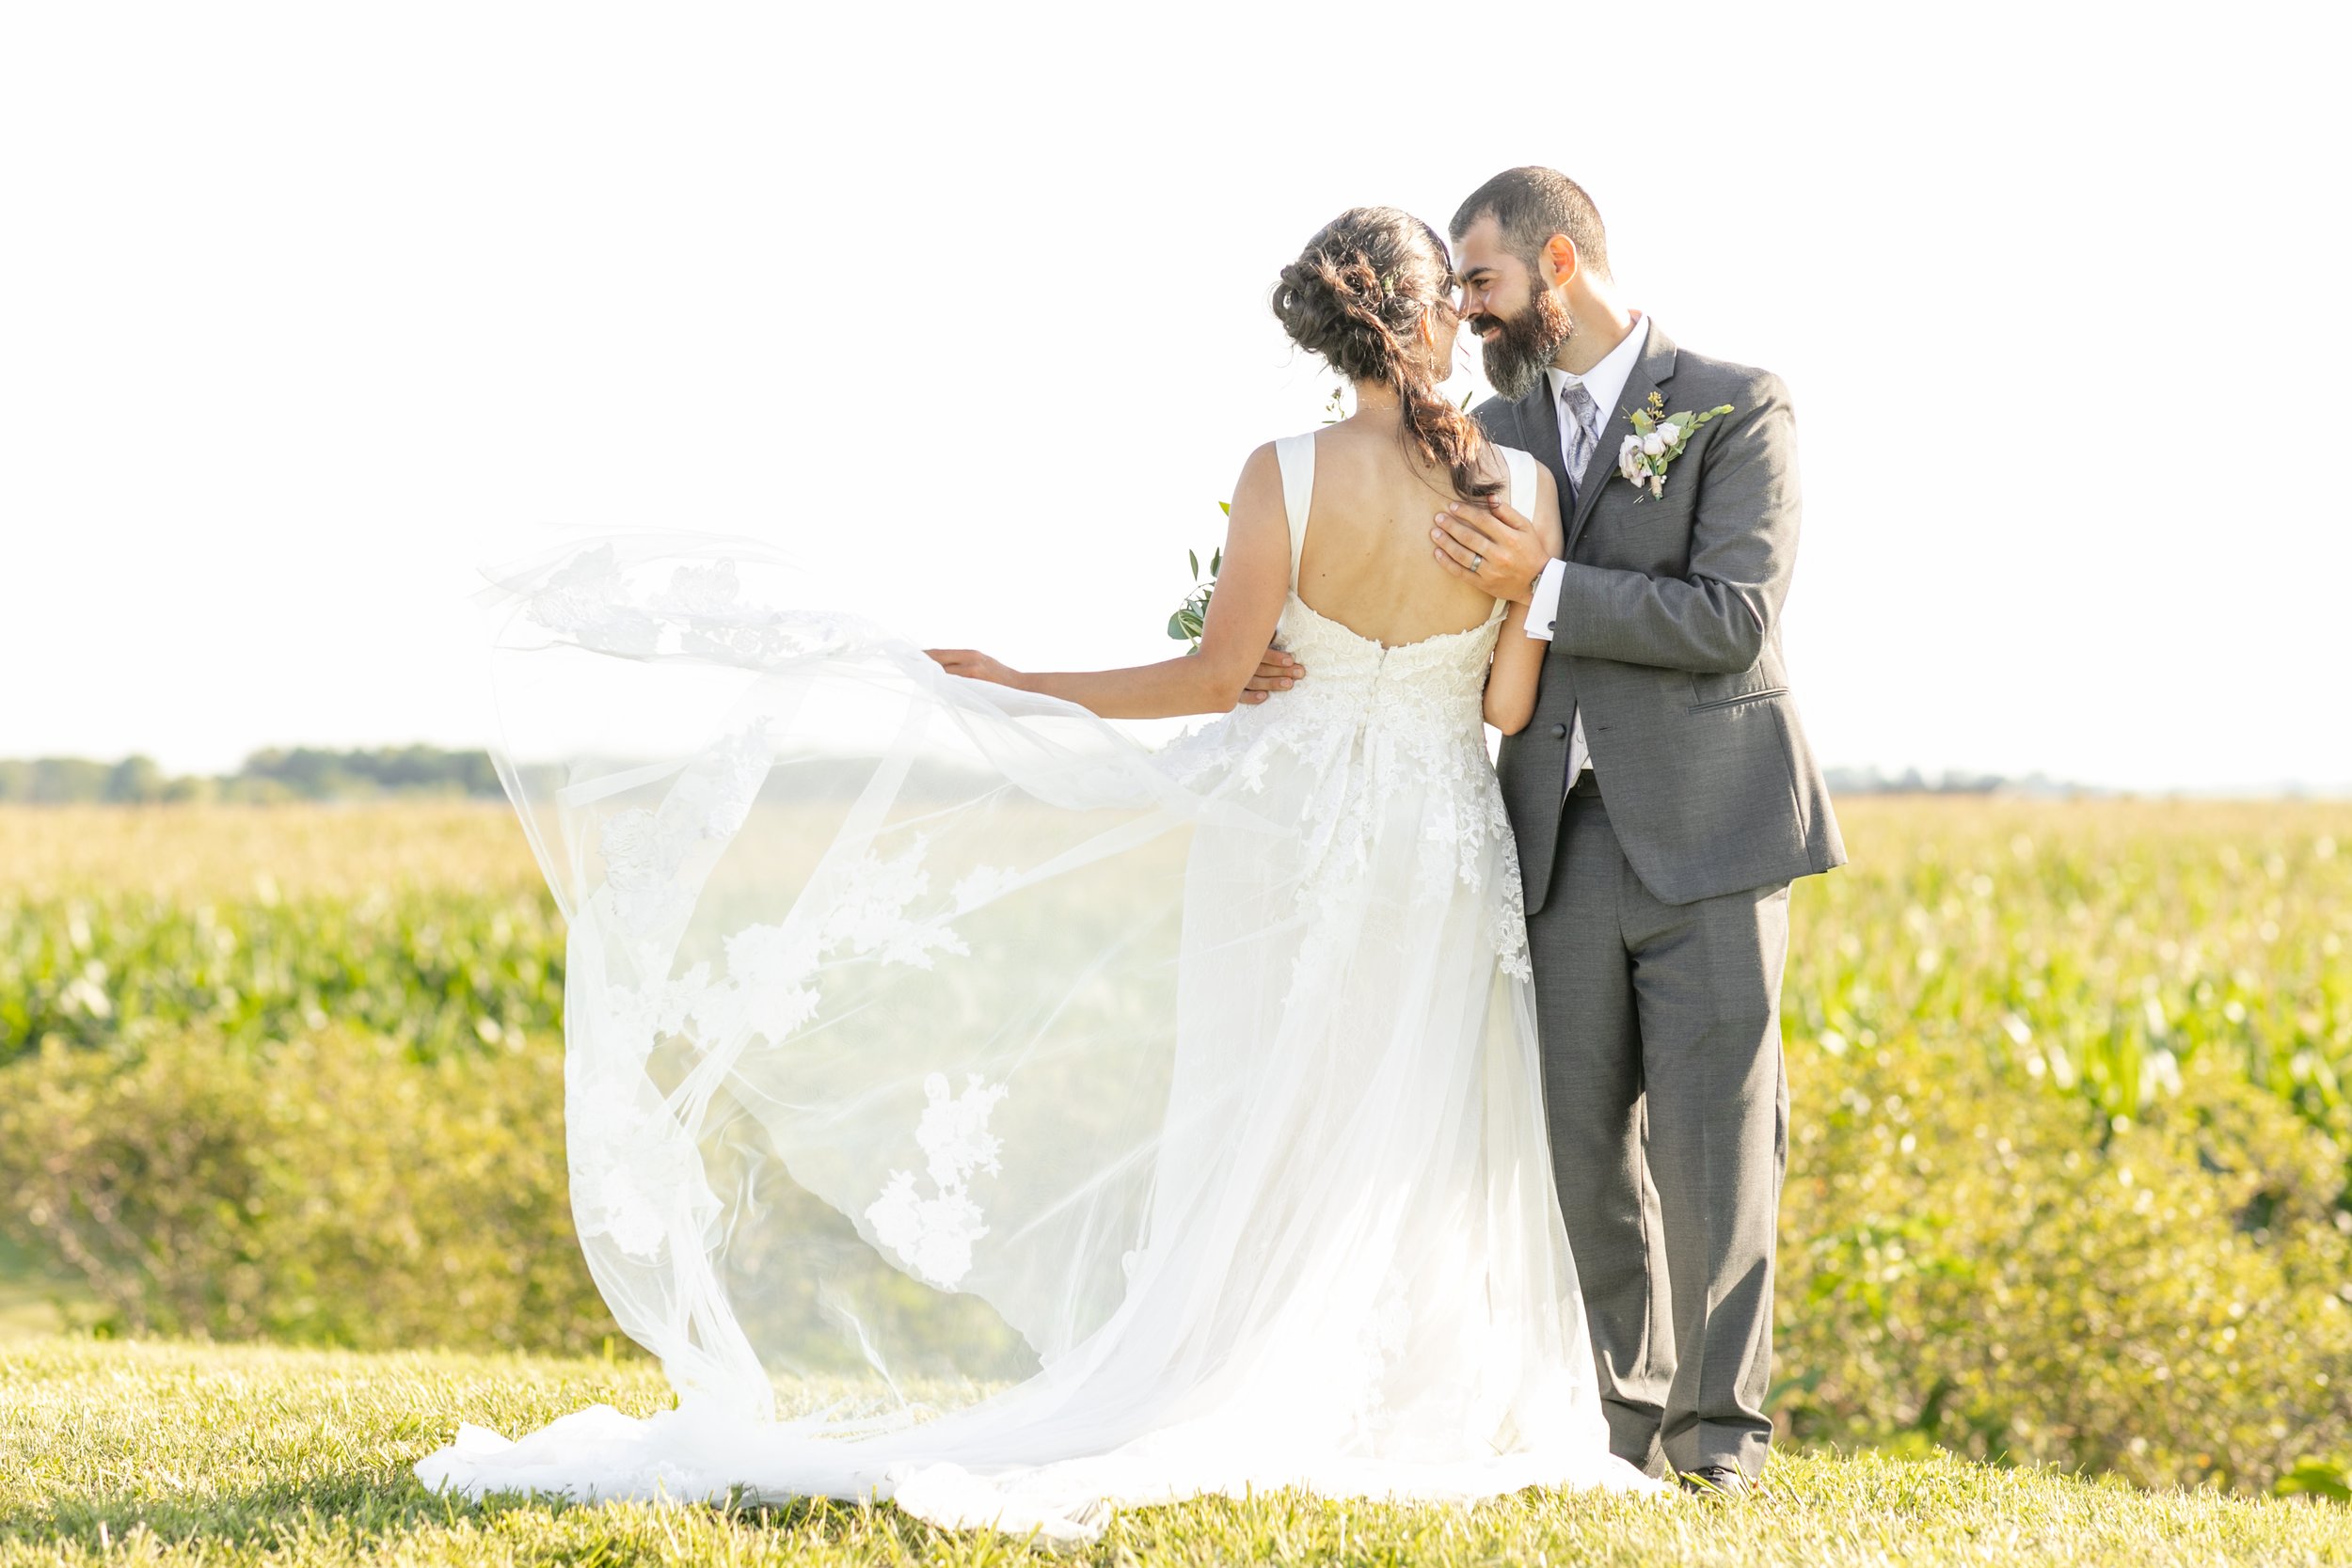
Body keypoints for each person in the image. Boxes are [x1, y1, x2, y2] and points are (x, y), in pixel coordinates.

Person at [415, 206, 1661, 1539]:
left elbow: (1213, 678)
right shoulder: (1522, 493)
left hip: (1293, 834)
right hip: (1438, 842)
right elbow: (1512, 712)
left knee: (1272, 1102)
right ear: (1432, 319)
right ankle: (1402, 1387)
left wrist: (1025, 686)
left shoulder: (1283, 473)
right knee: (1419, 1110)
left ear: (1333, 329)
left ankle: (1236, 1365)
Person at [1405, 166, 1847, 1494]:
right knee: (1579, 1144)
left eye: (1480, 282)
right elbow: (1428, 596)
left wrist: (1550, 584)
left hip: (1713, 827)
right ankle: (1618, 1426)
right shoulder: (1491, 423)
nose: (1468, 311)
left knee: (1715, 1144)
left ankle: (1717, 1443)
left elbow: (1734, 619)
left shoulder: (1733, 403)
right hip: (1555, 832)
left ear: (1556, 263)